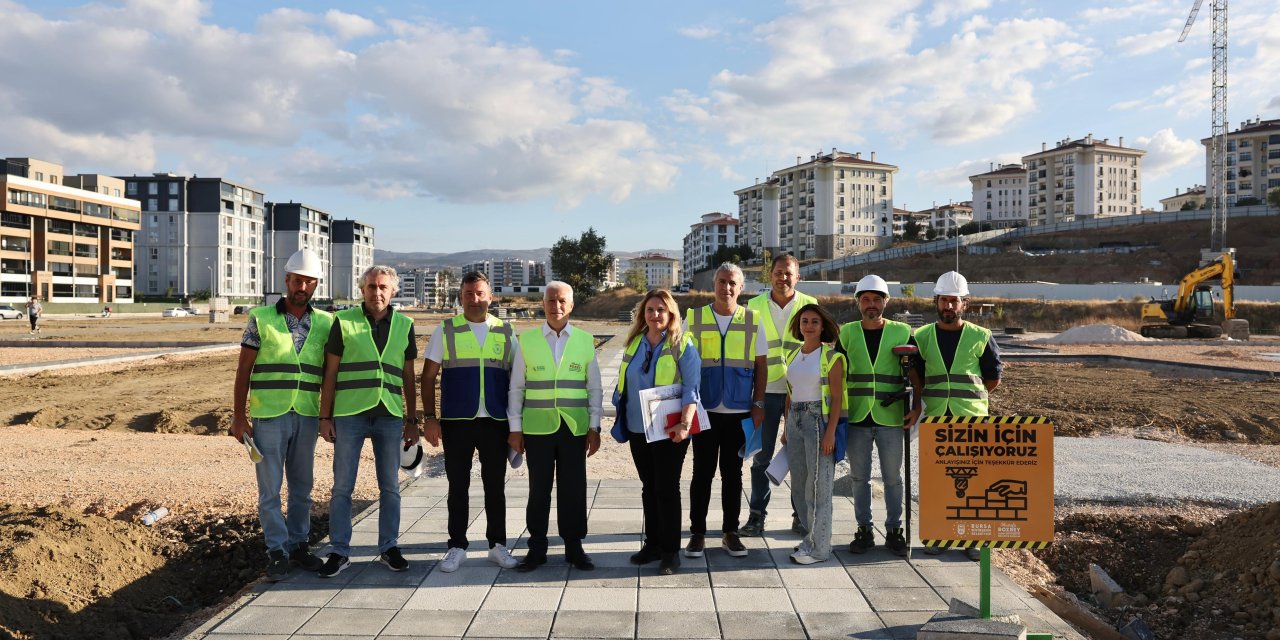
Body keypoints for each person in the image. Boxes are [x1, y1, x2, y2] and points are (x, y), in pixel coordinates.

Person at [230, 249, 332, 581]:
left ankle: (298, 545)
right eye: (297, 279)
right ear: (286, 280)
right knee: (270, 490)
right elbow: (243, 371)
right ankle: (277, 551)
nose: (302, 285)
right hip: (269, 416)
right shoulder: (261, 318)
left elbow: (331, 373)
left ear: (316, 285)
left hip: (306, 415)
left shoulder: (327, 323)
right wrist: (238, 416)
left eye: (309, 281)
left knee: (302, 486)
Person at [317, 265, 420, 577]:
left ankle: (388, 547)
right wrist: (325, 416)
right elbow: (330, 373)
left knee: (390, 486)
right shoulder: (343, 321)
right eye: (372, 287)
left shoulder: (405, 324)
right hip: (350, 414)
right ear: (362, 290)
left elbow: (407, 376)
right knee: (342, 486)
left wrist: (412, 419)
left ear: (393, 291)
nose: (377, 292)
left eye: (383, 287)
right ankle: (339, 551)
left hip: (389, 414)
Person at [420, 271, 519, 572]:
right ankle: (456, 546)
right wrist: (430, 418)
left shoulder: (505, 331)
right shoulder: (446, 329)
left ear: (490, 296)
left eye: (479, 293)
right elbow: (427, 376)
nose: (474, 299)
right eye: (468, 293)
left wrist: (517, 426)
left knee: (495, 486)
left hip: (495, 420)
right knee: (457, 485)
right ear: (460, 296)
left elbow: (517, 380)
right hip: (456, 420)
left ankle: (497, 545)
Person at [507, 281, 602, 572]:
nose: (556, 306)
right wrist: (515, 428)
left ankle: (574, 547)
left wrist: (595, 426)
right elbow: (516, 388)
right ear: (543, 304)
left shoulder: (585, 341)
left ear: (571, 305)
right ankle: (537, 548)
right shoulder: (527, 340)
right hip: (537, 428)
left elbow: (594, 388)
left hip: (574, 428)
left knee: (574, 489)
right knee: (539, 490)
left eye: (562, 301)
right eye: (551, 300)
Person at [611, 289, 701, 575]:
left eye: (661, 309)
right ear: (643, 314)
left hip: (670, 429)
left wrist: (685, 424)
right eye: (650, 310)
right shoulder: (634, 342)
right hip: (639, 428)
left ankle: (670, 551)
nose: (655, 315)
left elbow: (692, 389)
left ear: (671, 313)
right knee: (649, 488)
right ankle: (652, 544)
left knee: (666, 488)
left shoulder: (682, 343)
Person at [915, 270, 1002, 559]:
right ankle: (938, 535)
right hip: (936, 420)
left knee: (974, 481)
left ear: (965, 303)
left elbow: (993, 378)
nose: (948, 306)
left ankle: (973, 538)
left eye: (954, 301)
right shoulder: (922, 336)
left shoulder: (981, 336)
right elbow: (915, 374)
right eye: (944, 301)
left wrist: (969, 400)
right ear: (936, 302)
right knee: (936, 481)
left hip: (972, 420)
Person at [684, 262, 766, 559]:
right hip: (703, 409)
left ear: (741, 287)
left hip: (738, 410)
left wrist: (758, 404)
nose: (726, 287)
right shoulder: (693, 318)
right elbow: (683, 362)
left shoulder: (753, 320)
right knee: (701, 474)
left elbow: (761, 366)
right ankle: (697, 534)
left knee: (733, 475)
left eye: (732, 283)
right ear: (714, 284)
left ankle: (730, 533)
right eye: (721, 281)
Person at [837, 275, 921, 557]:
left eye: (876, 299)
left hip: (891, 417)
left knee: (892, 478)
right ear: (858, 302)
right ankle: (864, 529)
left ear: (886, 301)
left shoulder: (902, 332)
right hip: (858, 417)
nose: (871, 305)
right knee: (859, 478)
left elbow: (915, 373)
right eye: (865, 300)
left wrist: (916, 406)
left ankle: (894, 529)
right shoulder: (846, 333)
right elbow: (835, 374)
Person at [741, 253, 817, 537]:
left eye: (789, 273)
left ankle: (800, 515)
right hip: (766, 390)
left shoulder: (811, 305)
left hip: (802, 393)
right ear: (769, 275)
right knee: (762, 457)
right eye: (778, 272)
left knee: (800, 456)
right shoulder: (754, 305)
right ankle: (756, 515)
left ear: (798, 277)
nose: (782, 277)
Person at [781, 304, 845, 564]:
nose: (808, 326)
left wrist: (830, 433)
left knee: (818, 487)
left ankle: (820, 549)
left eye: (814, 322)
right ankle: (810, 540)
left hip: (818, 421)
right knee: (799, 485)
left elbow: (838, 399)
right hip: (795, 420)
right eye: (804, 321)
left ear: (823, 326)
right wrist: (786, 426)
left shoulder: (831, 357)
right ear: (798, 326)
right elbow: (790, 391)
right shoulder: (795, 354)